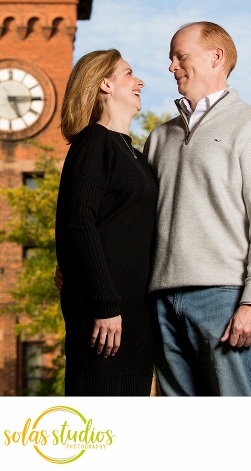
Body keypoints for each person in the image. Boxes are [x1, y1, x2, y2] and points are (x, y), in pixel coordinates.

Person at [142, 22, 251, 397]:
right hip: (160, 300)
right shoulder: (159, 137)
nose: (172, 66)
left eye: (181, 56)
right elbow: (136, 220)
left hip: (223, 297)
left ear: (216, 57)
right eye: (171, 59)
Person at [54, 50, 157, 396]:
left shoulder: (135, 155)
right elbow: (78, 222)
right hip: (105, 320)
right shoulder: (94, 143)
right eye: (129, 73)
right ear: (105, 84)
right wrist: (106, 304)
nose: (139, 81)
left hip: (136, 320)